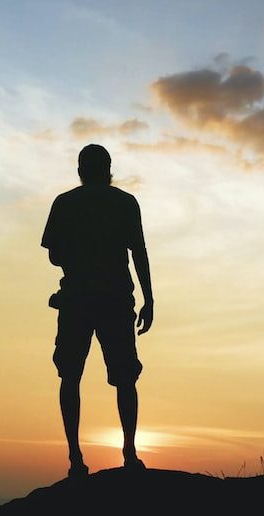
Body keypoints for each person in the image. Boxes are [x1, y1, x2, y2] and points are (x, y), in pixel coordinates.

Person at [41, 144, 154, 478]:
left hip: (76, 299)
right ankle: (130, 453)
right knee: (125, 378)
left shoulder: (65, 203)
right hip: (116, 300)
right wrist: (150, 299)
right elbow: (139, 254)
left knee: (70, 375)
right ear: (109, 170)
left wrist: (78, 256)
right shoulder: (125, 203)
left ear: (80, 171)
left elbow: (53, 256)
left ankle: (76, 459)